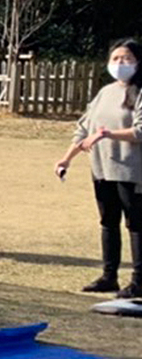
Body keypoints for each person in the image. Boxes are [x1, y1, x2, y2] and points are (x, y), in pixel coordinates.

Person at [56, 39, 141, 296]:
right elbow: (84, 127)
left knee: (136, 224)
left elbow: (139, 131)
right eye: (115, 59)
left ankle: (139, 281)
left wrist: (107, 134)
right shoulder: (106, 92)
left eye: (126, 59)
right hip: (103, 169)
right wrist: (66, 158)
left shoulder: (140, 92)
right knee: (108, 222)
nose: (120, 64)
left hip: (133, 171)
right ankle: (109, 276)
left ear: (138, 62)